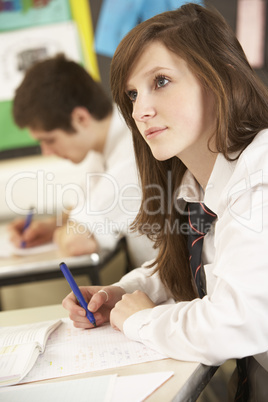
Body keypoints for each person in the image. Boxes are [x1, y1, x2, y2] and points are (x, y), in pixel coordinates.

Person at [62, 3, 268, 400]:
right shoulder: (196, 186)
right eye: (133, 95)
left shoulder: (261, 175)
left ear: (218, 78)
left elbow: (236, 321)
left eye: (161, 81)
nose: (141, 110)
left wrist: (142, 321)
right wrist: (121, 295)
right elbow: (204, 267)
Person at [9, 54, 157, 268]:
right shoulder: (104, 145)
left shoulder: (131, 152)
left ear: (80, 118)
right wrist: (53, 227)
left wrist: (63, 231)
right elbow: (82, 204)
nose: (47, 152)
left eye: (49, 140)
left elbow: (76, 243)